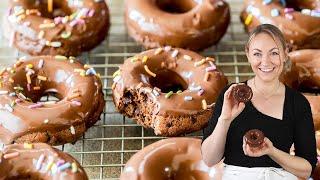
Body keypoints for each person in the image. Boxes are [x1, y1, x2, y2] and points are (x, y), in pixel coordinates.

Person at [201, 24, 317, 180]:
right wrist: (225, 119)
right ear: (248, 55)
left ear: (285, 54)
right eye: (257, 54)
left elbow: (307, 169)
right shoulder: (231, 96)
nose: (265, 62)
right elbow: (209, 159)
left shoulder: (297, 103)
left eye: (274, 53)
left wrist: (271, 151)